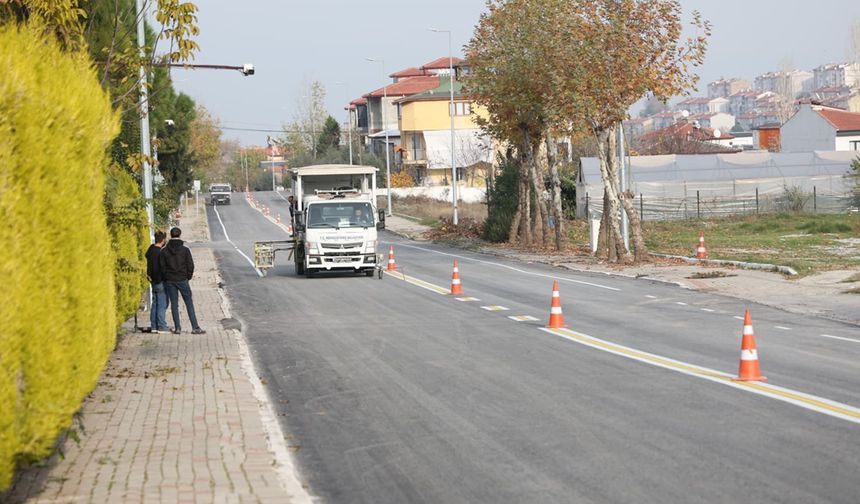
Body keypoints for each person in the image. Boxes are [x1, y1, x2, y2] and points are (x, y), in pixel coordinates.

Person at [159, 227, 206, 334]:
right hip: (182, 279)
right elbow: (190, 265)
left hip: (170, 280)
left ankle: (177, 328)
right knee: (189, 303)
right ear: (180, 235)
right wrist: (187, 277)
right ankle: (195, 327)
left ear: (170, 235)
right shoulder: (185, 249)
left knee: (174, 304)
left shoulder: (164, 250)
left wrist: (166, 277)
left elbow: (162, 267)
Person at [145, 231, 169, 333]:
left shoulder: (151, 250)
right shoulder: (160, 252)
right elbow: (162, 268)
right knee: (162, 303)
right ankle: (161, 326)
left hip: (152, 280)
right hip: (160, 280)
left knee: (155, 303)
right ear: (163, 240)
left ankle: (154, 326)